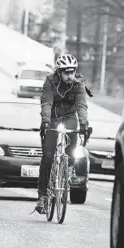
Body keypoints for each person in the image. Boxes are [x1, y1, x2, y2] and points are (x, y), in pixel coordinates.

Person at [34, 53, 90, 214]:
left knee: (72, 146)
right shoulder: (50, 81)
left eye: (72, 72)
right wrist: (45, 121)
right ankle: (42, 197)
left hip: (70, 117)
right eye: (66, 72)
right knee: (47, 157)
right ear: (59, 72)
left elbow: (82, 105)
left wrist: (85, 123)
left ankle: (69, 168)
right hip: (51, 117)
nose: (70, 76)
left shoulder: (78, 83)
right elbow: (46, 102)